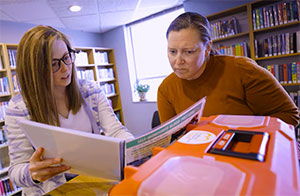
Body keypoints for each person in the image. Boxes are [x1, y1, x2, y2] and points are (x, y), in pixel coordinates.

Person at [5, 25, 134, 195]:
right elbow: (15, 171)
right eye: (54, 64)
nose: (66, 68)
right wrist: (32, 173)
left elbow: (116, 131)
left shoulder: (90, 90)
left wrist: (134, 151)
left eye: (67, 57)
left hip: (93, 182)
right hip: (51, 190)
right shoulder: (19, 108)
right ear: (35, 70)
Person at [157, 12, 299, 127]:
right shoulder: (166, 89)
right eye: (172, 51)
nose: (178, 61)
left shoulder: (243, 71)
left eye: (188, 52)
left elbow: (289, 115)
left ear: (207, 49)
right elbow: (170, 139)